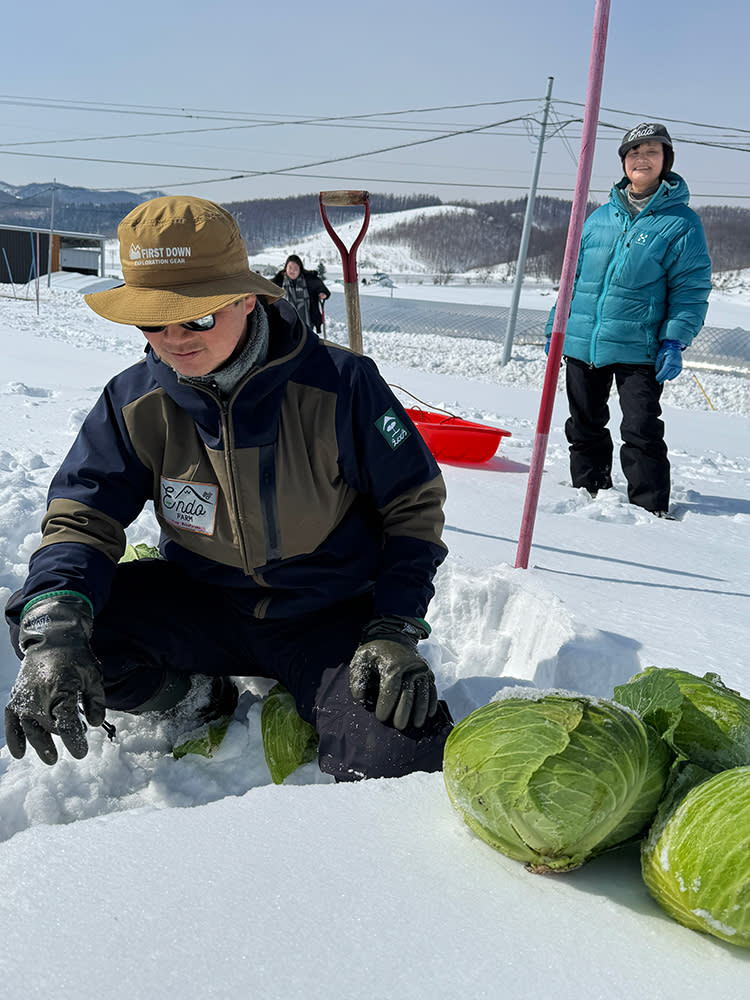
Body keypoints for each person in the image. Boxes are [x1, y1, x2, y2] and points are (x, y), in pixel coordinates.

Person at [3, 195, 452, 780]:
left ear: (247, 297)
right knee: (49, 627)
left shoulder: (341, 385)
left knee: (402, 757)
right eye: (151, 320)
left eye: (197, 318)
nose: (174, 339)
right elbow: (83, 515)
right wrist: (56, 626)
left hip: (325, 612)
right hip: (203, 602)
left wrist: (393, 627)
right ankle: (198, 696)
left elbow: (412, 510)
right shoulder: (134, 401)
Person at [545, 123, 712, 516]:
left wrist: (675, 340)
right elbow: (574, 276)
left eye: (653, 151)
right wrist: (559, 322)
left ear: (665, 162)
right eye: (634, 151)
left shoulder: (682, 223)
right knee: (583, 425)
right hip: (584, 339)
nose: (642, 158)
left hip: (641, 345)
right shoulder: (599, 218)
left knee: (640, 429)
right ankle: (588, 492)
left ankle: (648, 509)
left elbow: (690, 289)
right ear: (623, 162)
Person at [271, 253, 330, 334]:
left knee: (305, 341)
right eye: (290, 267)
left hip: (307, 320)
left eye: (295, 268)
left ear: (300, 269)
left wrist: (322, 293)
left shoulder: (309, 279)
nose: (292, 270)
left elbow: (322, 288)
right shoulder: (278, 281)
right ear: (285, 268)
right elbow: (266, 290)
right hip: (284, 322)